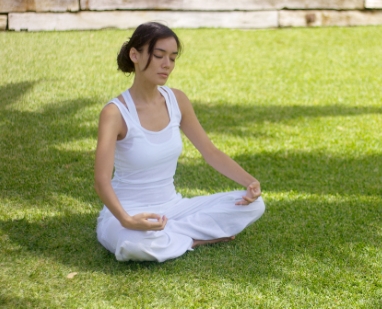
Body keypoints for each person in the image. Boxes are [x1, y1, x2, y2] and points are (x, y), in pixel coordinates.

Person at [94, 22, 265, 262]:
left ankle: (173, 235)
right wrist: (126, 219)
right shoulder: (115, 113)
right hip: (130, 212)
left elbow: (210, 152)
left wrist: (250, 182)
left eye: (173, 58)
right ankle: (195, 238)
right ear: (135, 55)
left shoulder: (177, 100)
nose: (167, 65)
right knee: (133, 245)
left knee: (255, 206)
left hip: (174, 208)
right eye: (159, 56)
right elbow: (101, 181)